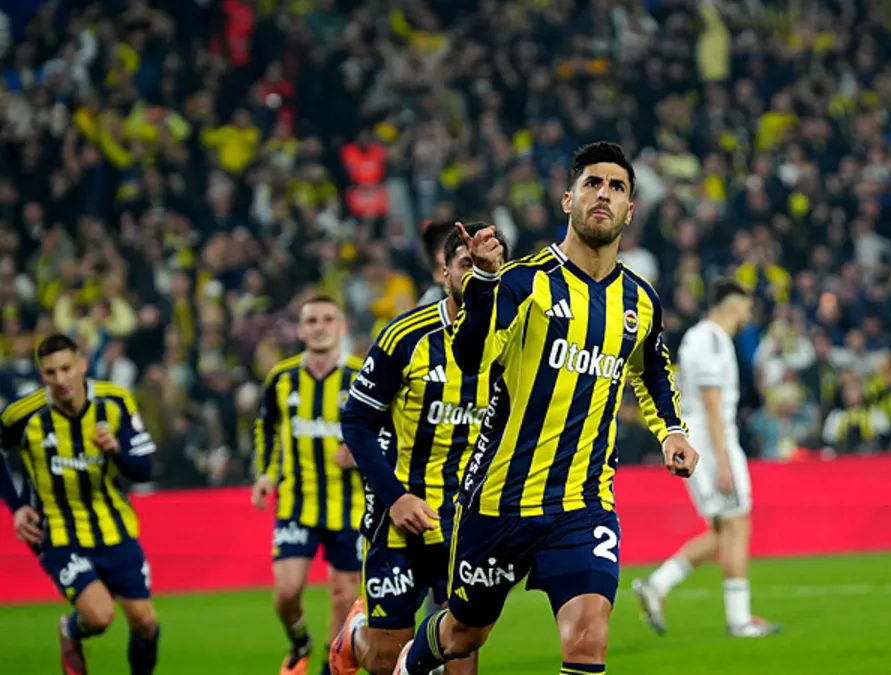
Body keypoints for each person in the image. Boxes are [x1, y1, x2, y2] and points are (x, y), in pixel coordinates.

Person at [394, 141, 700, 675]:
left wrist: (671, 430)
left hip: (583, 502)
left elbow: (651, 368)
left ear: (630, 210)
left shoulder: (640, 299)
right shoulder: (523, 281)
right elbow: (471, 358)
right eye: (592, 183)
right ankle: (409, 664)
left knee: (588, 639)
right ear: (567, 200)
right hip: (500, 500)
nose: (603, 194)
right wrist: (483, 284)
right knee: (465, 633)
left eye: (617, 187)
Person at [331, 222, 510, 675]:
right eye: (466, 263)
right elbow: (356, 420)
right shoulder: (406, 336)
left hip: (467, 521)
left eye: (486, 264)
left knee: (461, 652)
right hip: (400, 517)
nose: (476, 272)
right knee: (383, 659)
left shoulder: (513, 341)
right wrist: (395, 498)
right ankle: (354, 635)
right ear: (444, 273)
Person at [0, 333, 160, 675]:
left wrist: (117, 449)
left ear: (82, 365)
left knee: (145, 622)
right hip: (57, 531)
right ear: (42, 374)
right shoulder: (22, 414)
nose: (60, 380)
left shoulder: (115, 401)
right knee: (100, 616)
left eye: (66, 369)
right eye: (50, 372)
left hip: (114, 524)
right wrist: (16, 507)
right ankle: (70, 629)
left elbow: (144, 469)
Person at [632, 278, 781, 637]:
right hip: (714, 442)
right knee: (737, 525)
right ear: (732, 305)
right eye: (746, 307)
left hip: (699, 437)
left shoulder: (698, 337)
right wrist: (724, 461)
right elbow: (713, 403)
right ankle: (739, 619)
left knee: (720, 531)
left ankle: (657, 585)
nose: (747, 315)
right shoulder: (713, 340)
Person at [252, 295, 367, 675]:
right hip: (297, 502)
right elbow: (267, 428)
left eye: (328, 319)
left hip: (350, 504)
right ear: (301, 330)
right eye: (312, 320)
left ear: (342, 327)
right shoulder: (281, 378)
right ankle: (299, 639)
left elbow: (388, 430)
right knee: (286, 592)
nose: (320, 327)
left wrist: (361, 454)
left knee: (343, 597)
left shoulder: (361, 376)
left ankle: (326, 668)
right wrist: (266, 474)